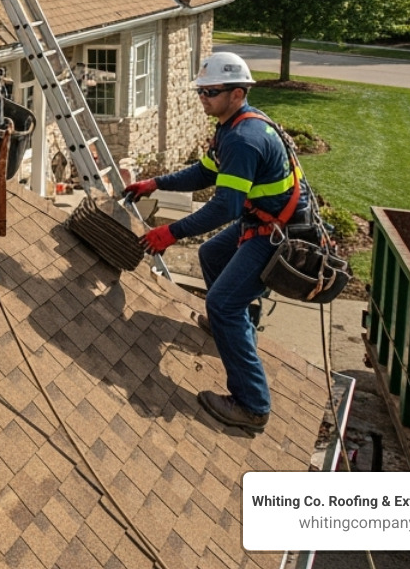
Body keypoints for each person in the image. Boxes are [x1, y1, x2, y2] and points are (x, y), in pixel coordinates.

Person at [126, 51, 311, 435]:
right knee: (212, 254)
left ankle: (252, 405)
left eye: (211, 92)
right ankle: (235, 325)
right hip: (263, 219)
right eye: (201, 91)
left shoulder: (244, 139)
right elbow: (204, 173)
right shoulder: (233, 126)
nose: (203, 97)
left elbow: (225, 207)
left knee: (223, 303)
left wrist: (170, 233)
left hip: (279, 234)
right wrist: (156, 183)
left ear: (237, 93)